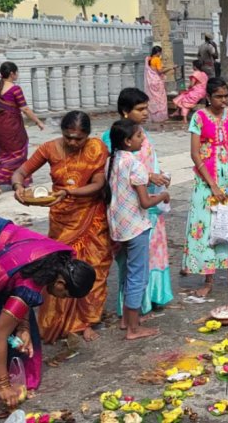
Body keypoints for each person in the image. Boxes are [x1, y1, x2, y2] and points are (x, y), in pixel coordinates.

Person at [11, 111, 110, 343]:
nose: (73, 142)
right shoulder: (49, 148)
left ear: (88, 135)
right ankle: (57, 323)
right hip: (62, 220)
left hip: (91, 217)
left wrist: (69, 192)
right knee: (59, 272)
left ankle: (87, 322)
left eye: (79, 138)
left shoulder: (96, 148)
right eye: (69, 137)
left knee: (94, 268)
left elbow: (98, 183)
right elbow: (22, 171)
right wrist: (17, 186)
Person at [0, 218, 95, 408]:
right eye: (65, 295)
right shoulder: (30, 287)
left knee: (24, 327)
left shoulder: (56, 256)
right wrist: (3, 386)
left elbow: (20, 277)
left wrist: (22, 327)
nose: (61, 298)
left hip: (3, 241)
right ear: (60, 284)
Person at [101, 89, 173, 320]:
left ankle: (154, 297)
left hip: (148, 208)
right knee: (133, 265)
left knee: (152, 255)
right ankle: (132, 312)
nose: (145, 113)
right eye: (140, 109)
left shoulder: (142, 136)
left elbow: (149, 162)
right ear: (124, 111)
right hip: (134, 209)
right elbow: (116, 174)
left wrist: (157, 175)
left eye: (146, 108)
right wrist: (149, 178)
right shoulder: (110, 140)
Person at [182, 77, 228, 296]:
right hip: (206, 180)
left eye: (225, 96)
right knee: (207, 227)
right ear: (208, 97)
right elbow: (194, 153)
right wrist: (212, 185)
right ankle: (208, 280)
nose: (223, 100)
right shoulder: (199, 118)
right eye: (218, 97)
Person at [0, 62, 44, 189]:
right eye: (17, 72)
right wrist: (38, 121)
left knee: (4, 153)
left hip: (0, 125)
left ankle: (19, 180)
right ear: (12, 73)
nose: (18, 74)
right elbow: (25, 109)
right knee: (17, 154)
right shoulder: (15, 89)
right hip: (12, 126)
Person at [172, 59, 208, 124]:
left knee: (184, 101)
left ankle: (184, 119)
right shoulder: (204, 74)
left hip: (196, 92)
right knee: (182, 95)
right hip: (203, 93)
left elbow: (191, 84)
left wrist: (188, 88)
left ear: (195, 66)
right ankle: (177, 111)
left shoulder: (196, 73)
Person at [144, 46, 174, 125]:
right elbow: (160, 71)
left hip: (151, 81)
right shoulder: (157, 59)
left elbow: (153, 68)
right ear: (158, 52)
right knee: (161, 100)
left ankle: (154, 117)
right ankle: (160, 117)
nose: (161, 54)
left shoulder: (149, 59)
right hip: (157, 81)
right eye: (160, 52)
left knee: (153, 99)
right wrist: (171, 68)